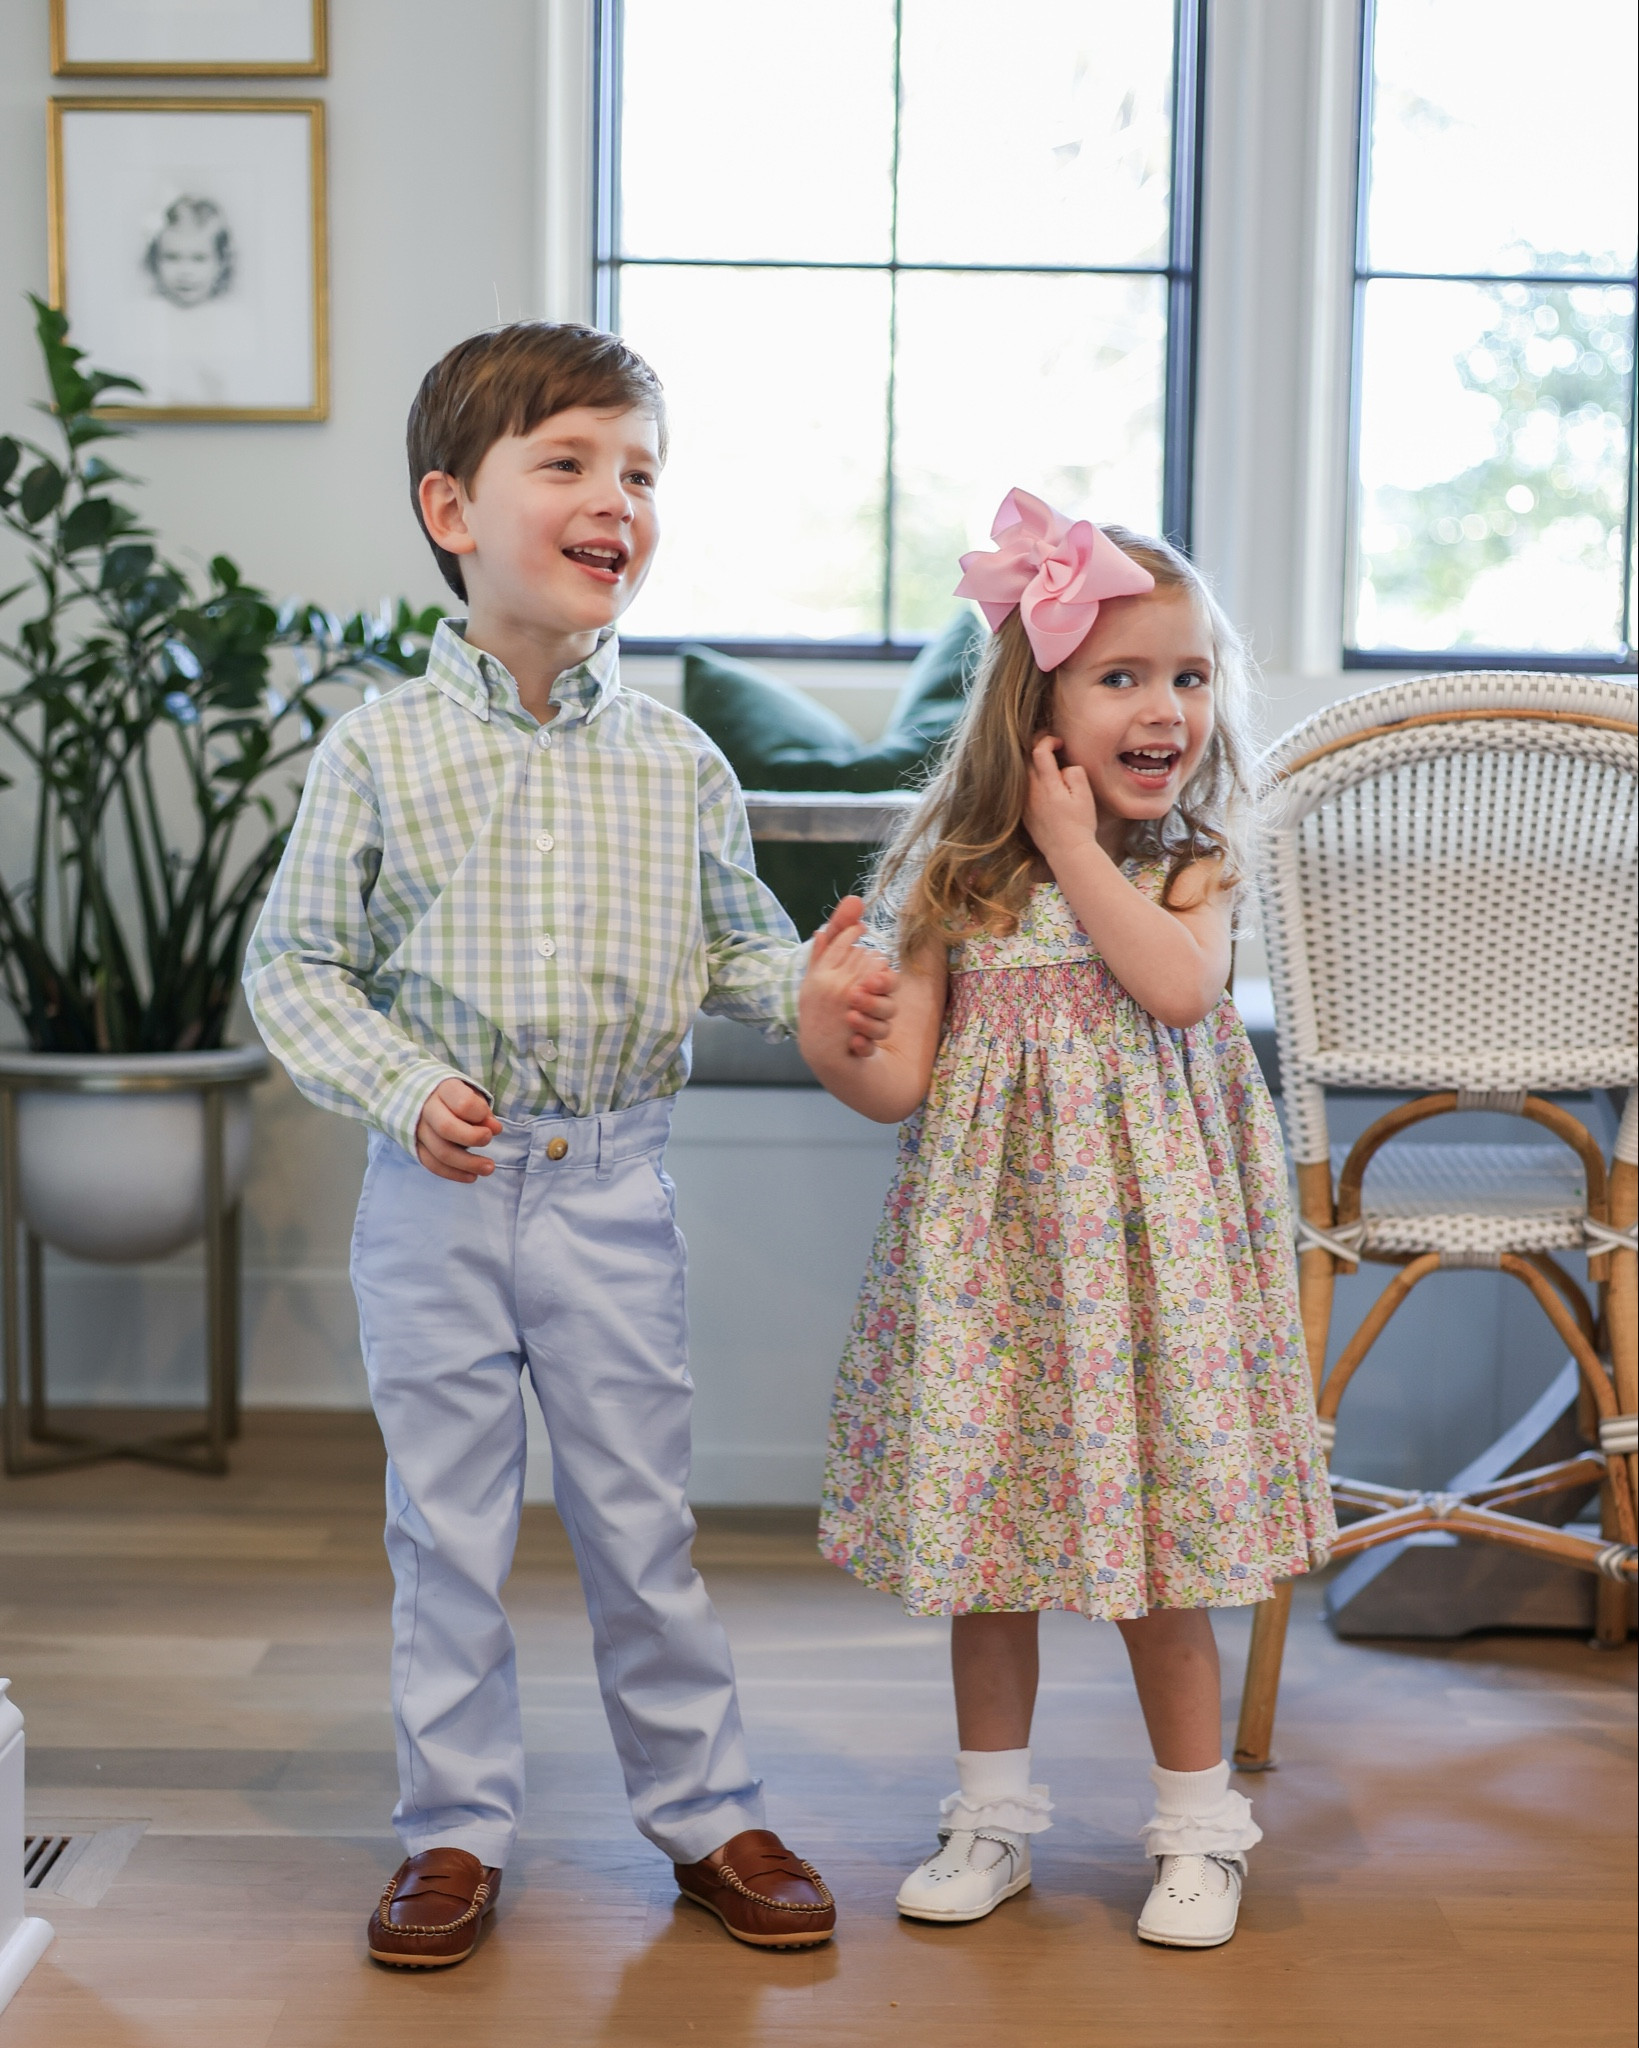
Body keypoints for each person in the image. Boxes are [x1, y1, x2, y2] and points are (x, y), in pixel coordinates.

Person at [245, 322, 894, 1966]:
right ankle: (453, 1832)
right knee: (446, 1530)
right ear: (452, 508)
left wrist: (820, 986)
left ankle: (703, 1812)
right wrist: (403, 1086)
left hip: (610, 1193)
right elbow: (294, 966)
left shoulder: (679, 764)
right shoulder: (379, 750)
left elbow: (741, 956)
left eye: (642, 473)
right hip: (440, 1199)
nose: (618, 500)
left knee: (637, 1522)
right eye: (573, 465)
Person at [798, 489, 1335, 1950]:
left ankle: (1197, 1826)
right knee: (992, 1552)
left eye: (1189, 677)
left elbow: (1174, 987)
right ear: (1036, 710)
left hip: (1152, 1288)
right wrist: (823, 1020)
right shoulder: (953, 882)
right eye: (1124, 678)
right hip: (999, 1280)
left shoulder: (1196, 864)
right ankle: (992, 1817)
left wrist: (1079, 845)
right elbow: (894, 1081)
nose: (1167, 706)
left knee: (1161, 1562)